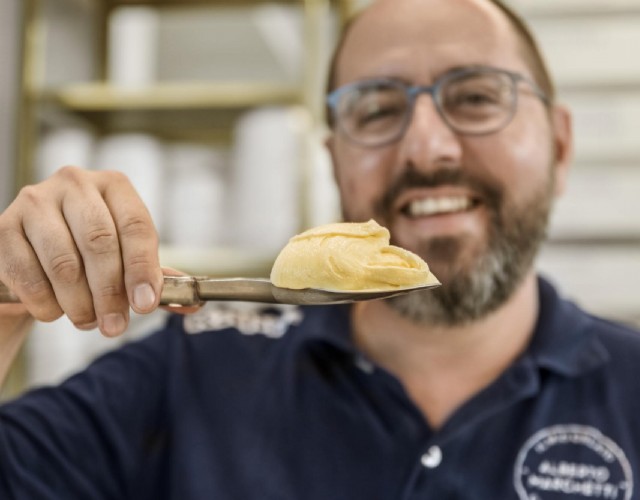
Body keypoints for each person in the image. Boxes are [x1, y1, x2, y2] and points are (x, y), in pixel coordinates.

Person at [1, 0, 639, 497]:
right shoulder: (189, 376)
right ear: (334, 163)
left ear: (559, 146)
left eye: (475, 97)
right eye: (376, 109)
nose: (427, 147)